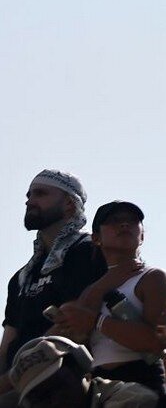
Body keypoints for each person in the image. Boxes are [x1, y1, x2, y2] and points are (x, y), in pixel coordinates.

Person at [0, 171, 105, 404]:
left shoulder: (86, 252)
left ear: (69, 205)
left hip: (60, 378)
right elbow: (8, 341)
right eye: (28, 195)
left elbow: (70, 329)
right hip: (20, 380)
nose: (29, 201)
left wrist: (12, 378)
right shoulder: (21, 276)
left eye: (40, 193)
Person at [53, 202, 166, 393]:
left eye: (132, 220)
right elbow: (76, 333)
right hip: (100, 386)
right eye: (113, 220)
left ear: (142, 235)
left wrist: (97, 321)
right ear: (96, 238)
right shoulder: (94, 289)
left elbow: (157, 342)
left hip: (142, 381)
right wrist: (107, 281)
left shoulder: (153, 277)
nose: (124, 225)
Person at [7, 337, 156, 408]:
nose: (53, 402)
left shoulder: (132, 400)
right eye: (40, 399)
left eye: (57, 386)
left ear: (81, 369)